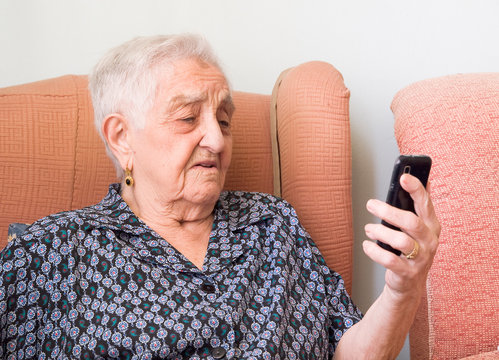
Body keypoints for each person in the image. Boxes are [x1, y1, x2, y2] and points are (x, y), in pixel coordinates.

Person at [0, 34, 440, 359]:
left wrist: (403, 288)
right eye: (189, 117)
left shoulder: (272, 224)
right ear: (122, 138)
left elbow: (347, 352)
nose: (216, 138)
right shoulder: (46, 254)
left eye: (224, 120)